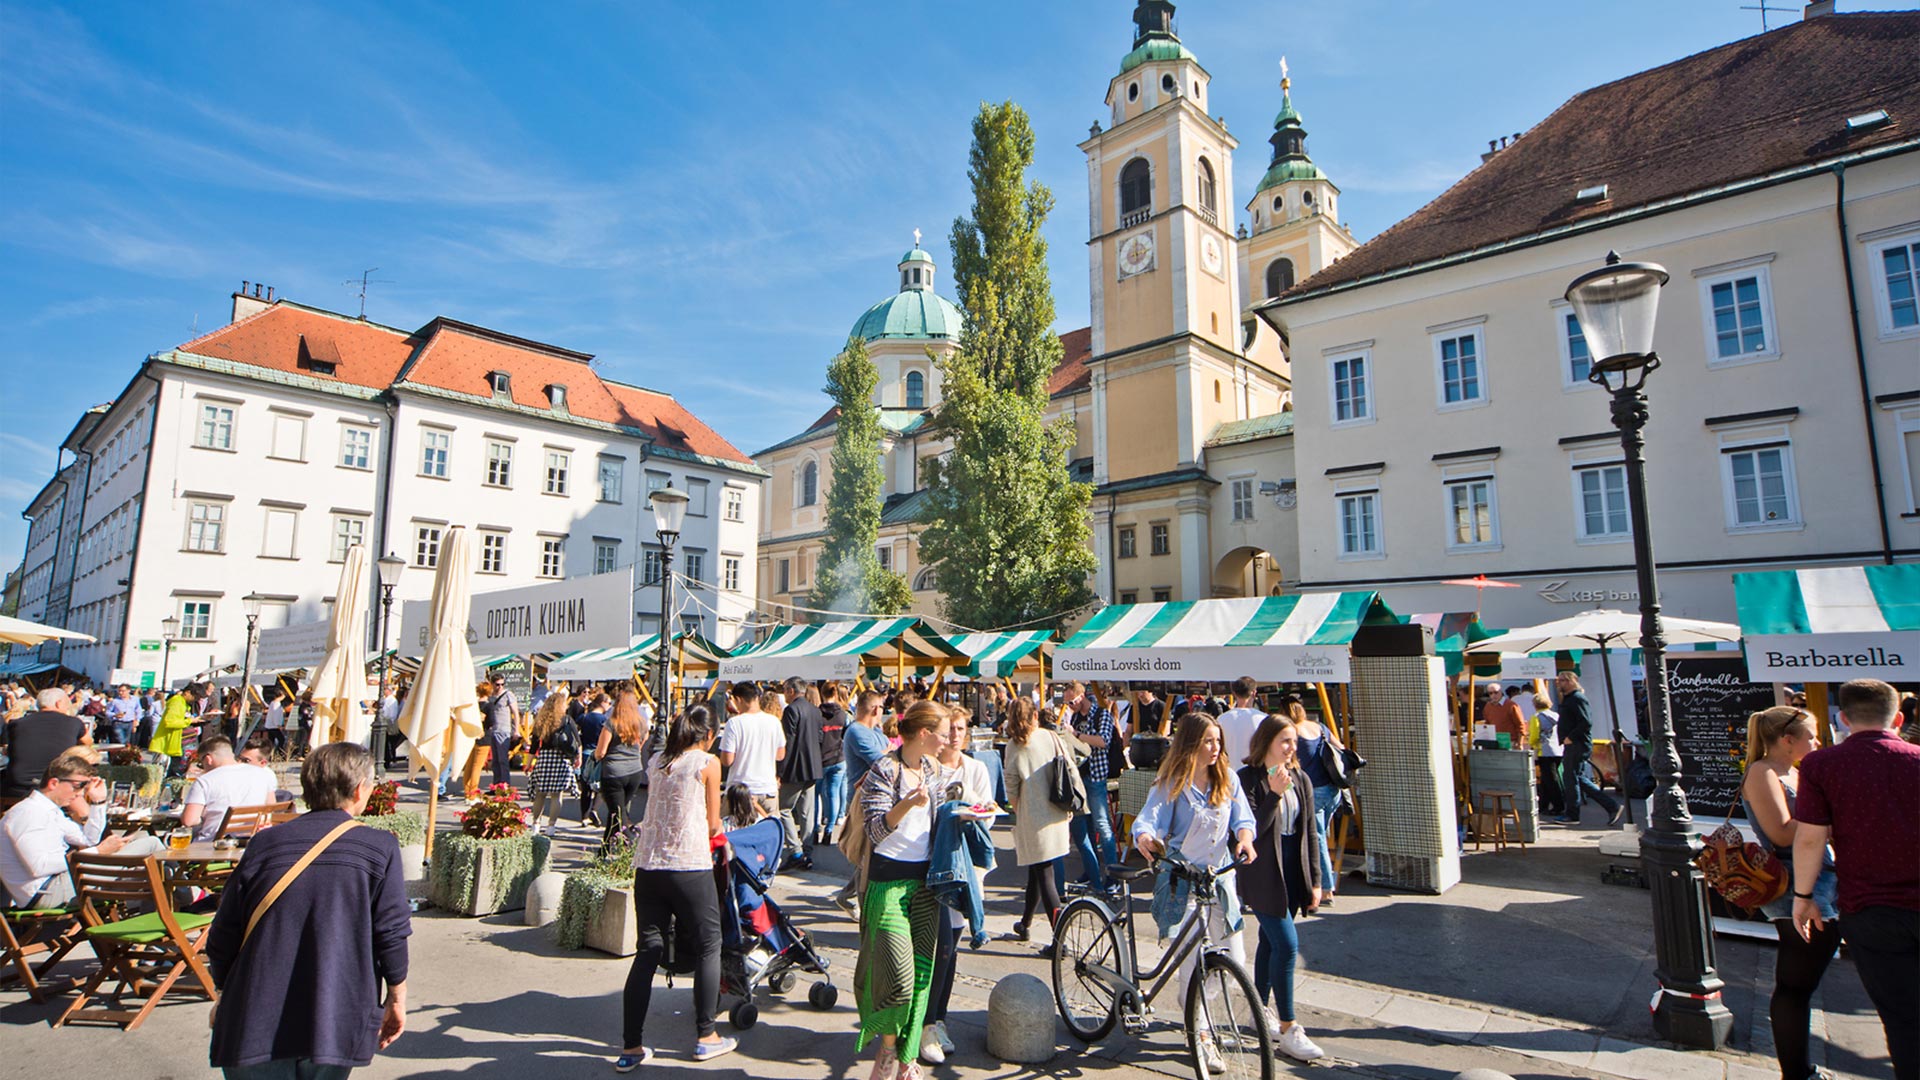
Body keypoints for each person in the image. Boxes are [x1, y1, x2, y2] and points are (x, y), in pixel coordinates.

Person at [207, 742, 411, 1079]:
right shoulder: (379, 848)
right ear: (360, 789)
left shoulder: (265, 843)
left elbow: (223, 933)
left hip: (254, 1011)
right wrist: (396, 998)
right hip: (333, 1013)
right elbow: (390, 932)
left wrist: (224, 992)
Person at [1792, 679, 1920, 1080]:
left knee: (1901, 1018)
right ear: (1898, 718)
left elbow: (1811, 837)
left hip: (1870, 907)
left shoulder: (1820, 765)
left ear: (1842, 719)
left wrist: (1803, 895)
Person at [1131, 713, 1258, 1075]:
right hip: (1183, 879)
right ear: (1191, 745)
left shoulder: (1228, 779)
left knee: (1234, 956)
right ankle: (1200, 1031)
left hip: (1219, 879)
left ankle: (1195, 1005)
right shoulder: (1173, 783)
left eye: (1218, 741)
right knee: (1193, 959)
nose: (1216, 748)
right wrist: (1145, 838)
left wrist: (1245, 841)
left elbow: (1243, 820)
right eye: (1208, 741)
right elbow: (1149, 819)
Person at [617, 705, 734, 1070]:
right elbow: (714, 824)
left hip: (648, 866)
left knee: (647, 951)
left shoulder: (656, 760)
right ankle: (706, 1034)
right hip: (688, 865)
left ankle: (631, 1046)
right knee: (709, 944)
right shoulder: (706, 763)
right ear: (709, 735)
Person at [854, 701, 959, 1080]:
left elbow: (945, 814)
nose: (947, 738)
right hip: (887, 882)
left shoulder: (933, 769)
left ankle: (907, 1058)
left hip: (926, 883)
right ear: (924, 733)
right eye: (943, 732)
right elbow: (875, 831)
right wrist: (906, 804)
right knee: (897, 977)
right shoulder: (885, 769)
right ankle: (886, 1049)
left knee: (922, 977)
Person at [1741, 705, 1841, 1080]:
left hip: (1820, 879)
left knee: (1802, 981)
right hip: (1792, 884)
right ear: (1787, 741)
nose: (1817, 742)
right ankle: (1797, 1072)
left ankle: (1799, 1070)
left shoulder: (1795, 772)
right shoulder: (1762, 772)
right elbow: (1782, 833)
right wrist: (1829, 808)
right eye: (1811, 736)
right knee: (1795, 986)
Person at [1236, 713, 1327, 1062]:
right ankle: (1289, 1029)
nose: (1290, 748)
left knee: (1269, 943)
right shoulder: (1248, 780)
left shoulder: (1301, 778)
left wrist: (1316, 879)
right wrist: (1274, 795)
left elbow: (1311, 833)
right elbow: (1248, 831)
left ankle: (1258, 1013)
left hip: (1293, 868)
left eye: (1293, 742)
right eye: (1284, 741)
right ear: (1266, 743)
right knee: (1288, 946)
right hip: (1262, 872)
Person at [921, 703, 992, 1065]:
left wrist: (973, 813)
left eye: (962, 729)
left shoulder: (976, 768)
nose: (956, 735)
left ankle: (938, 1020)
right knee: (938, 950)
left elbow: (987, 815)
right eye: (951, 729)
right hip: (932, 867)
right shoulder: (929, 768)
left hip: (964, 870)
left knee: (951, 951)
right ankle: (927, 1022)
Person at [1, 752, 162, 908]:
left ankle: (163, 916)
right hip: (47, 891)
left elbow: (88, 839)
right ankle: (183, 903)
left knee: (146, 870)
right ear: (54, 783)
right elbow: (39, 867)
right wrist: (98, 852)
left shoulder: (50, 810)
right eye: (78, 786)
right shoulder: (28, 813)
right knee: (151, 845)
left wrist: (98, 802)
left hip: (59, 883)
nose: (80, 793)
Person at [1000, 696, 1075, 960]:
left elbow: (1011, 786)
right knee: (1038, 870)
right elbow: (1070, 766)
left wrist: (1020, 811)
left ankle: (1059, 941)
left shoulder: (1014, 746)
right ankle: (1025, 923)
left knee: (1045, 876)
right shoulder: (1049, 736)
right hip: (1057, 810)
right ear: (1035, 716)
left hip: (1033, 816)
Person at [832, 690, 891, 917]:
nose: (882, 712)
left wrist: (887, 752)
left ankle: (847, 896)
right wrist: (888, 752)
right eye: (882, 708)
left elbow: (887, 755)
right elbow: (881, 761)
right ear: (875, 709)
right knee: (866, 855)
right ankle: (857, 901)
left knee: (871, 855)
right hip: (862, 801)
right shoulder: (856, 731)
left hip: (879, 799)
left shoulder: (876, 731)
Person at [1062, 681, 1118, 895]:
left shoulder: (1101, 714)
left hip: (1096, 776)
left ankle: (1112, 875)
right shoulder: (1075, 716)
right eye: (1067, 703)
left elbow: (1103, 741)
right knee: (1087, 829)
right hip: (1080, 778)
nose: (1070, 706)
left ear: (1082, 695)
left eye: (1072, 701)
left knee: (1103, 826)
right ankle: (1092, 870)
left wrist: (1076, 735)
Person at [1290, 697, 1346, 906]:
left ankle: (1325, 888)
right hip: (1333, 789)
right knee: (1322, 834)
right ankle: (1324, 878)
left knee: (1317, 838)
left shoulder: (1293, 732)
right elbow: (1340, 747)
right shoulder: (1319, 727)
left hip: (1314, 791)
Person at [180, 736, 281, 841]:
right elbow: (271, 807)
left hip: (212, 845)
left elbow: (189, 821)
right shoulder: (263, 774)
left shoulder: (205, 780)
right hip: (250, 842)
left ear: (208, 759)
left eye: (201, 764)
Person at [1554, 672, 1622, 826]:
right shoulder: (1570, 699)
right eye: (1558, 680)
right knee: (1576, 778)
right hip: (1573, 744)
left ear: (1573, 681)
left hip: (1577, 744)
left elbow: (1586, 722)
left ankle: (1572, 814)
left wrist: (1570, 737)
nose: (1560, 683)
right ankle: (1611, 806)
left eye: (1564, 680)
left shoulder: (1577, 698)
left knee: (1571, 777)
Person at [1, 689, 90, 799]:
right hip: (54, 786)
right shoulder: (74, 722)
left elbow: (8, 749)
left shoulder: (17, 723)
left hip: (17, 786)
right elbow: (88, 743)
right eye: (67, 704)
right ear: (59, 703)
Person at [777, 676, 826, 871]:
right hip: (813, 766)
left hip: (795, 767)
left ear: (790, 690)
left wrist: (780, 770)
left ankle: (796, 850)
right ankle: (807, 850)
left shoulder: (791, 710)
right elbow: (820, 737)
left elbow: (787, 741)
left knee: (784, 809)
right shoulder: (815, 710)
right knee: (807, 812)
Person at [717, 682, 785, 817]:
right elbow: (780, 755)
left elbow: (727, 760)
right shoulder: (774, 722)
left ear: (739, 700)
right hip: (767, 789)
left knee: (732, 833)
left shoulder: (735, 723)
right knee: (767, 832)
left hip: (740, 789)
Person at [596, 690, 652, 842]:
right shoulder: (640, 723)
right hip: (634, 772)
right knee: (616, 812)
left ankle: (633, 840)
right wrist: (636, 750)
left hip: (614, 773)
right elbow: (645, 737)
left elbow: (600, 752)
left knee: (618, 814)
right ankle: (604, 851)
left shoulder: (611, 724)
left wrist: (596, 758)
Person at [525, 691, 582, 835]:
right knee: (557, 795)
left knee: (540, 793)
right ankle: (551, 826)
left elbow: (534, 745)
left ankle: (535, 824)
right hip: (561, 758)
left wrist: (528, 763)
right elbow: (577, 741)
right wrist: (578, 758)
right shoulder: (567, 719)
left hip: (544, 757)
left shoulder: (542, 720)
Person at [815, 681, 850, 847]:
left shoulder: (817, 714)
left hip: (821, 759)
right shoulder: (843, 715)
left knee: (816, 795)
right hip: (839, 758)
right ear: (835, 694)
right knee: (834, 793)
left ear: (822, 694)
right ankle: (829, 830)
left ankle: (815, 830)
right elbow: (847, 733)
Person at [154, 683, 206, 777]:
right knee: (174, 770)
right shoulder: (177, 702)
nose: (196, 700)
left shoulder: (183, 703)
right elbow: (169, 722)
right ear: (187, 693)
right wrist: (190, 721)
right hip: (173, 742)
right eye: (195, 697)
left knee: (177, 769)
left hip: (179, 741)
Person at [576, 693, 610, 828]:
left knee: (585, 788)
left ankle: (584, 817)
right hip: (598, 753)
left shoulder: (584, 717)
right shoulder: (604, 720)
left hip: (584, 752)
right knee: (599, 785)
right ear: (602, 703)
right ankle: (594, 810)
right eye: (608, 703)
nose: (609, 706)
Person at [1215, 676, 1264, 770]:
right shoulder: (1264, 719)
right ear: (1254, 693)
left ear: (1234, 694)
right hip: (1255, 773)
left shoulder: (1221, 719)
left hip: (1230, 772)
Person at [482, 675, 520, 789]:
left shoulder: (508, 695)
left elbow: (515, 713)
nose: (500, 687)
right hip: (493, 730)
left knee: (503, 760)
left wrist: (516, 730)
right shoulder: (490, 696)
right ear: (492, 684)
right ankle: (496, 785)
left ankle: (505, 786)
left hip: (504, 730)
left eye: (502, 684)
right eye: (497, 684)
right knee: (495, 761)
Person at [1533, 692, 1565, 818]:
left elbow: (1534, 735)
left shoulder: (1536, 717)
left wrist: (1532, 744)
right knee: (1548, 779)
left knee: (1550, 780)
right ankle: (1544, 805)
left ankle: (1558, 806)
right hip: (1558, 749)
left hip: (1544, 751)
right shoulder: (1556, 715)